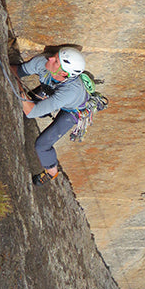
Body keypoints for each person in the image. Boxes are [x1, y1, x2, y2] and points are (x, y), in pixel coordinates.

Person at [14, 46, 88, 186]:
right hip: (52, 89)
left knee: (42, 145)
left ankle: (52, 172)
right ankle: (46, 108)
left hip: (73, 110)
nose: (50, 58)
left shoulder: (70, 92)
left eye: (56, 61)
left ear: (64, 74)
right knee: (33, 101)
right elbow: (16, 70)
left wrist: (18, 87)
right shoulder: (43, 62)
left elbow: (31, 113)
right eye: (55, 56)